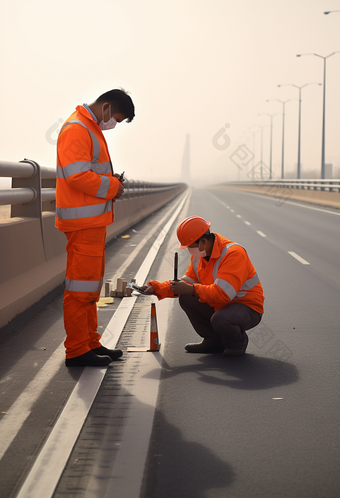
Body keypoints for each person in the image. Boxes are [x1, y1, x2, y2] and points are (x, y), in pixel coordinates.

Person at [55, 89, 135, 367]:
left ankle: (90, 342)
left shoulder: (88, 126)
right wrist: (113, 186)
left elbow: (89, 170)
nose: (112, 123)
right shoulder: (78, 128)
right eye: (114, 117)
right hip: (83, 222)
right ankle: (77, 350)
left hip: (91, 221)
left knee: (89, 286)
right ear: (106, 106)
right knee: (80, 288)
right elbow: (76, 175)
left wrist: (109, 180)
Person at [142, 216, 264, 355]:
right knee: (186, 298)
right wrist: (157, 288)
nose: (189, 250)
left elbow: (223, 294)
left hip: (246, 306)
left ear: (203, 241)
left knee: (221, 319)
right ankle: (214, 341)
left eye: (190, 246)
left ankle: (237, 344)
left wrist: (192, 289)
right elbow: (187, 282)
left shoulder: (233, 253)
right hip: (220, 305)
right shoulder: (199, 256)